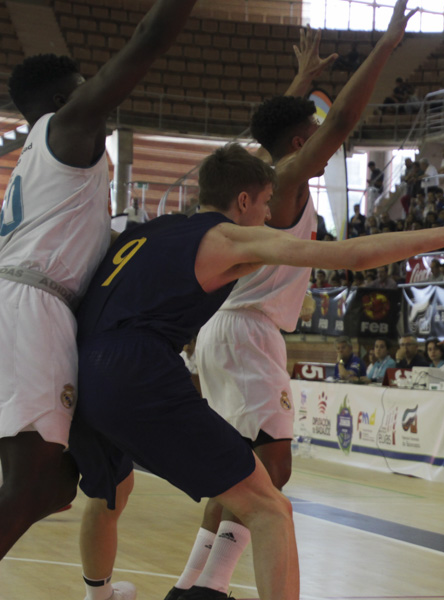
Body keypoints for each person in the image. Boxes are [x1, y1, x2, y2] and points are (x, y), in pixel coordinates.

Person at [67, 144, 444, 600]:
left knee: (111, 493)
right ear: (243, 201)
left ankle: (104, 595)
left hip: (80, 364)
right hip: (135, 369)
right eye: (264, 205)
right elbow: (353, 257)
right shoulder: (226, 238)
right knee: (271, 508)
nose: (267, 216)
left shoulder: (153, 229)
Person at [170, 12, 409, 596]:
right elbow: (344, 119)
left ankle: (193, 586)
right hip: (249, 332)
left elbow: (274, 129)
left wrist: (298, 83)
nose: (325, 136)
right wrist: (387, 45)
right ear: (303, 142)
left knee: (237, 471)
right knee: (271, 472)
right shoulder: (291, 178)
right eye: (314, 130)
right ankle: (210, 589)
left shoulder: (259, 173)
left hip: (222, 332)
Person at [0, 0, 201, 567]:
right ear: (66, 99)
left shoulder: (42, 153)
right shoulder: (67, 129)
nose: (98, 92)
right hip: (32, 305)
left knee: (53, 486)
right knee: (32, 483)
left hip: (28, 302)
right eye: (85, 85)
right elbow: (147, 41)